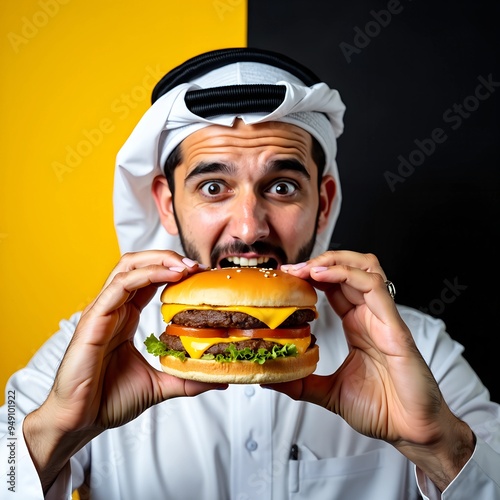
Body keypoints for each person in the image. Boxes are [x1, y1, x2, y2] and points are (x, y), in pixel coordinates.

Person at [1, 47, 499, 500]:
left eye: (281, 187)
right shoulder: (89, 348)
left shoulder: (420, 348)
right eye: (214, 186)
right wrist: (56, 431)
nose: (249, 226)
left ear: (322, 204)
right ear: (166, 205)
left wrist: (440, 446)